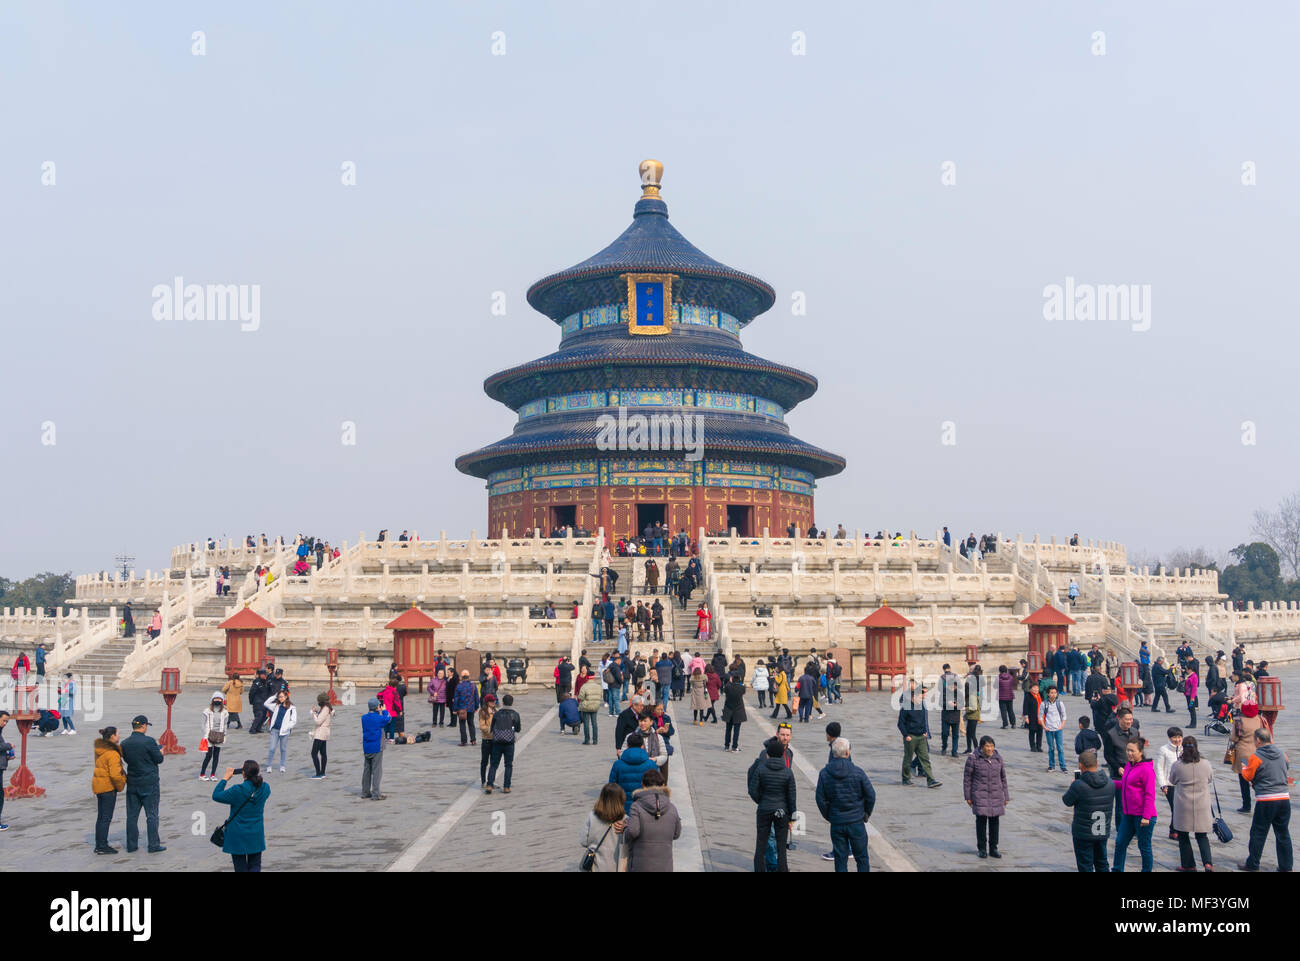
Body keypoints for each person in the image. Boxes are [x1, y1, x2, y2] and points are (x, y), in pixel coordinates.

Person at [815, 736, 876, 872]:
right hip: (856, 821)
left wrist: (829, 815)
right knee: (862, 858)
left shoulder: (824, 773)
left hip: (837, 822)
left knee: (840, 859)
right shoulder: (858, 772)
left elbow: (820, 799)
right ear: (848, 752)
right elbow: (871, 795)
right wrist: (865, 813)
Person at [1239, 727, 1293, 872]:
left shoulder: (1256, 757)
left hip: (1266, 800)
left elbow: (1248, 776)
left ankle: (1253, 864)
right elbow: (1286, 767)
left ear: (1258, 740)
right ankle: (1286, 867)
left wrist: (1244, 767)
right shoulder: (1282, 753)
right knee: (1283, 833)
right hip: (1283, 798)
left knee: (1258, 832)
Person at [211, 760, 270, 872]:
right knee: (255, 865)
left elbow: (216, 795)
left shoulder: (237, 790)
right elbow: (261, 787)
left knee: (240, 868)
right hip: (256, 833)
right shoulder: (265, 788)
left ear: (243, 773)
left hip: (237, 834)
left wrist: (225, 778)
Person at [1062, 749, 1116, 872]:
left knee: (1085, 865)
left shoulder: (1078, 785)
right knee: (1102, 863)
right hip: (1102, 830)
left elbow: (1067, 801)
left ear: (1081, 765)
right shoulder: (1110, 783)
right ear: (1096, 764)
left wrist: (1073, 785)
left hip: (1084, 833)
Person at [749, 738, 797, 872]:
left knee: (760, 845)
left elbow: (753, 790)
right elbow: (792, 797)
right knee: (781, 847)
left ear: (767, 754)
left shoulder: (761, 769)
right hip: (782, 810)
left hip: (764, 808)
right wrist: (792, 818)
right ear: (782, 754)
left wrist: (762, 800)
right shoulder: (788, 772)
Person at [120, 715, 165, 853]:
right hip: (149, 781)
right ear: (144, 726)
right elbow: (158, 759)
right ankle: (153, 845)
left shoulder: (124, 743)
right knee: (151, 815)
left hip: (133, 782)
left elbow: (127, 760)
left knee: (132, 816)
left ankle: (132, 845)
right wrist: (161, 752)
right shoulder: (149, 741)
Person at [1168, 735, 1215, 871]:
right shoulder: (1205, 763)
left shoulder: (1178, 764)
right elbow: (1210, 778)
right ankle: (1207, 863)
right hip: (1202, 803)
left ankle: (1189, 865)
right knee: (1202, 835)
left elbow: (1172, 780)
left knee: (1183, 835)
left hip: (1184, 804)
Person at [1113, 736, 1158, 872]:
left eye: (1132, 751)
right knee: (1120, 843)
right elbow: (1125, 784)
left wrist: (1146, 816)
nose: (1129, 754)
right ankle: (1117, 869)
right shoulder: (1129, 765)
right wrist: (1108, 783)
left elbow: (1150, 795)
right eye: (1127, 750)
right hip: (1128, 814)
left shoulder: (1146, 770)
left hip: (1143, 816)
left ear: (1141, 752)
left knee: (1144, 847)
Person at [624, 769, 681, 872]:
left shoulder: (636, 806)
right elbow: (676, 834)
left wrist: (626, 829)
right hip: (665, 865)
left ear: (642, 784)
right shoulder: (672, 807)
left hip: (640, 865)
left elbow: (632, 831)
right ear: (663, 785)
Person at [963, 735, 1009, 858]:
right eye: (987, 746)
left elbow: (1003, 778)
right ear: (982, 747)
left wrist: (1006, 796)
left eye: (992, 746)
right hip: (979, 794)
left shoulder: (998, 758)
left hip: (996, 794)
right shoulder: (973, 759)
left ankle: (993, 848)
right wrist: (968, 796)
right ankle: (982, 848)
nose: (990, 749)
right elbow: (967, 779)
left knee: (995, 822)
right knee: (981, 822)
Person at [898, 679, 941, 788]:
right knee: (908, 758)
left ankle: (931, 780)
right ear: (913, 698)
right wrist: (905, 735)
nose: (921, 699)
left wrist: (925, 732)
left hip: (921, 736)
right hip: (910, 737)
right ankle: (905, 778)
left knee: (925, 759)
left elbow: (923, 720)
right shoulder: (905, 708)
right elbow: (900, 723)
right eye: (918, 697)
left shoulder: (922, 706)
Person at [91, 726, 126, 854]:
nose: (119, 736)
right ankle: (102, 846)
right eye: (117, 734)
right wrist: (121, 785)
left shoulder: (100, 749)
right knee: (106, 818)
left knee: (101, 818)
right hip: (108, 787)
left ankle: (99, 844)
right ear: (112, 737)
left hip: (99, 784)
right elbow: (115, 774)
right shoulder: (112, 753)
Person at [580, 783, 627, 872]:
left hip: (596, 866)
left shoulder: (592, 816)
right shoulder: (625, 821)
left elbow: (583, 841)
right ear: (621, 799)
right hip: (617, 867)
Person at [608, 733, 659, 814]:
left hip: (623, 809)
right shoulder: (651, 764)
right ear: (642, 746)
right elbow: (657, 789)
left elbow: (611, 788)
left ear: (627, 746)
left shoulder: (617, 765)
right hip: (646, 808)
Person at [1230, 702, 1264, 813]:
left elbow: (1233, 738)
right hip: (1257, 753)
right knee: (1257, 779)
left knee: (1244, 780)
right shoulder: (1259, 719)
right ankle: (1262, 801)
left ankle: (1246, 805)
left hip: (1243, 753)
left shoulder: (1238, 720)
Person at [1154, 726, 1183, 838]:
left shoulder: (1184, 749)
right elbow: (1159, 768)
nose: (1177, 739)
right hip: (1170, 785)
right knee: (1175, 808)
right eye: (1174, 737)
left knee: (1179, 808)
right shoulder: (1164, 749)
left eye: (1179, 737)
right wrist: (1163, 784)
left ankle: (1174, 829)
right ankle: (1175, 831)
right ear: (1169, 738)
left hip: (1182, 784)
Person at [360, 698, 390, 799]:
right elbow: (388, 719)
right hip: (377, 747)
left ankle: (365, 792)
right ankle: (376, 793)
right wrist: (384, 710)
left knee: (367, 770)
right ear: (377, 707)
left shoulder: (364, 718)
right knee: (377, 771)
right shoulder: (378, 718)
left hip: (367, 746)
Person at [263, 690, 296, 773]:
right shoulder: (276, 706)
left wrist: (287, 728)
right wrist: (274, 696)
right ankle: (269, 765)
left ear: (286, 697)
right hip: (275, 730)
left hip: (284, 732)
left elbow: (293, 721)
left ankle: (282, 765)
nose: (280, 698)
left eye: (281, 696)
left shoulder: (292, 708)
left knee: (283, 749)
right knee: (272, 748)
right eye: (279, 697)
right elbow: (266, 703)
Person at [199, 692, 229, 781]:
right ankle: (202, 774)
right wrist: (206, 733)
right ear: (212, 700)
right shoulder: (207, 711)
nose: (217, 701)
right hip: (209, 735)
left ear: (222, 700)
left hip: (219, 735)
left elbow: (225, 724)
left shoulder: (225, 712)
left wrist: (225, 735)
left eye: (219, 699)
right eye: (215, 699)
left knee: (216, 756)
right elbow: (202, 724)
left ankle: (213, 774)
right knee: (208, 755)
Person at [1040, 685, 1068, 773]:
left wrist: (1062, 725)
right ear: (1048, 694)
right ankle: (1051, 766)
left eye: (1055, 693)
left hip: (1058, 728)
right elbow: (1040, 716)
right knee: (1051, 748)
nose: (1053, 694)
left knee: (1060, 748)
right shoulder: (1044, 704)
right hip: (1049, 729)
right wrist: (1044, 726)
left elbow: (1064, 715)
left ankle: (1063, 766)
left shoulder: (1060, 703)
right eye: (1051, 693)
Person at [722, 672, 747, 752]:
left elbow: (725, 689)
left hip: (729, 710)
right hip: (738, 711)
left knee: (728, 729)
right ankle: (734, 746)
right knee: (736, 731)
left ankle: (726, 746)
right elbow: (743, 688)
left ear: (732, 679)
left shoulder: (728, 687)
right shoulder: (742, 688)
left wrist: (730, 681)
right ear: (739, 679)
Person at [453, 670, 480, 746]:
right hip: (471, 708)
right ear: (469, 677)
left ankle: (464, 741)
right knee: (471, 723)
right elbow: (477, 698)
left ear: (461, 677)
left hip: (461, 709)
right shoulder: (473, 686)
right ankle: (473, 740)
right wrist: (476, 707)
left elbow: (456, 699)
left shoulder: (459, 686)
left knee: (462, 725)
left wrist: (455, 709)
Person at [310, 693, 333, 779]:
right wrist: (316, 712)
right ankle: (322, 773)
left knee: (314, 753)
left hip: (320, 733)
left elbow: (318, 722)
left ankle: (318, 773)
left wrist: (313, 714)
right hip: (325, 733)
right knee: (323, 753)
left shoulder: (325, 709)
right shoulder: (327, 708)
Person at [577, 667, 602, 745]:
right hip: (595, 706)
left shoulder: (584, 686)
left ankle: (587, 740)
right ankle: (595, 740)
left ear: (587, 677)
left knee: (586, 724)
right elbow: (601, 696)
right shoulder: (598, 686)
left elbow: (580, 697)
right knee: (594, 723)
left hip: (586, 707)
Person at [963, 666, 983, 754]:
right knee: (968, 733)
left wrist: (965, 709)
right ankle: (968, 748)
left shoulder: (972, 695)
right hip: (970, 716)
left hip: (973, 716)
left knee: (972, 734)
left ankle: (976, 749)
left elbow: (973, 707)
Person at [247, 669, 271, 735]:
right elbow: (251, 693)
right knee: (259, 716)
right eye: (264, 674)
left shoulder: (266, 682)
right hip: (257, 702)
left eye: (265, 674)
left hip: (265, 702)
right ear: (260, 675)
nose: (265, 676)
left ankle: (258, 728)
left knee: (263, 716)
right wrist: (252, 701)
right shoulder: (256, 683)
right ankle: (252, 729)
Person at [1023, 682, 1044, 753]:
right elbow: (1025, 707)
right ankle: (1032, 746)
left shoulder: (1040, 695)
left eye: (1037, 688)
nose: (1035, 689)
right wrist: (1026, 717)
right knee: (1032, 732)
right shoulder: (1028, 696)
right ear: (1030, 689)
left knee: (1040, 732)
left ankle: (1039, 746)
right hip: (1032, 717)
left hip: (1040, 718)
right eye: (1034, 688)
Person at [996, 665, 1017, 729]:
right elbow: (1013, 684)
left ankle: (1005, 724)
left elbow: (994, 686)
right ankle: (1013, 724)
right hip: (1010, 696)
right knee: (1010, 710)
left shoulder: (998, 677)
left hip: (1001, 696)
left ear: (1000, 670)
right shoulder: (1010, 677)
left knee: (1003, 711)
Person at [1184, 660, 1200, 728]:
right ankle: (1192, 722)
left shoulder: (1194, 676)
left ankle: (1193, 723)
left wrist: (1192, 697)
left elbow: (1194, 688)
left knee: (1192, 709)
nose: (1186, 670)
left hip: (1191, 696)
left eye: (1187, 669)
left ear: (1190, 669)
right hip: (1188, 695)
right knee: (1190, 708)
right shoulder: (1189, 676)